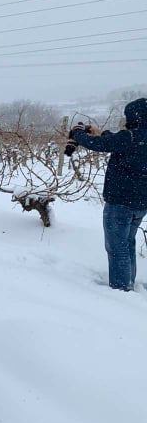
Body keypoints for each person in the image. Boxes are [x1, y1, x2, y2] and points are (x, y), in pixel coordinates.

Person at [66, 97, 147, 291]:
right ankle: (128, 284)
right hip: (140, 204)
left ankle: (120, 292)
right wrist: (102, 133)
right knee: (128, 244)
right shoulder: (136, 137)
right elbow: (115, 141)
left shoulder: (131, 136)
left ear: (134, 116)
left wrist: (78, 134)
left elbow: (100, 145)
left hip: (120, 202)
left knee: (117, 248)